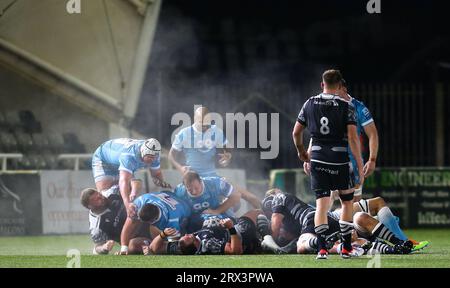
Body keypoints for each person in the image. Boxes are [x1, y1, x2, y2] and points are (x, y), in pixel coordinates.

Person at [293, 69, 364, 259]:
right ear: (340, 85)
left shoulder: (309, 103)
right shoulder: (346, 106)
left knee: (321, 205)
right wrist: (359, 164)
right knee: (347, 202)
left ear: (322, 84)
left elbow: (296, 132)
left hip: (317, 159)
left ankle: (322, 249)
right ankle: (347, 248)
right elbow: (352, 138)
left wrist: (302, 152)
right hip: (339, 160)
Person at [169, 106, 261, 209]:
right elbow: (171, 156)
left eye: (207, 125)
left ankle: (266, 221)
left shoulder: (216, 131)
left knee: (252, 198)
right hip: (194, 179)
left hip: (212, 178)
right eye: (202, 125)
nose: (205, 128)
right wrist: (180, 168)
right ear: (195, 119)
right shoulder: (184, 133)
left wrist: (228, 156)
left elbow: (228, 149)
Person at [91, 138, 171, 217]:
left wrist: (161, 182)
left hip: (119, 158)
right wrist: (127, 204)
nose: (151, 160)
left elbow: (156, 174)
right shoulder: (129, 156)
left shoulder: (155, 154)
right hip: (104, 159)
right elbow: (124, 181)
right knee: (105, 197)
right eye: (149, 157)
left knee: (128, 194)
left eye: (153, 158)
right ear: (142, 152)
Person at [80, 180, 152, 255]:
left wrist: (133, 192)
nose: (102, 197)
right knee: (133, 245)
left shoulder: (112, 192)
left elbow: (135, 181)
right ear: (90, 206)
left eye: (99, 195)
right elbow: (97, 247)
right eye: (97, 199)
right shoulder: (96, 226)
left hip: (149, 222)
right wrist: (104, 247)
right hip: (135, 240)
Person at [118, 191, 191, 255]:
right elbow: (128, 226)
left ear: (153, 220)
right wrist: (124, 249)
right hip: (166, 195)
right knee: (132, 245)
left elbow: (173, 247)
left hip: (185, 210)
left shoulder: (172, 219)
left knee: (181, 246)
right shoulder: (140, 202)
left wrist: (153, 250)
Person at [172, 171, 241, 231]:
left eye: (196, 188)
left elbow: (236, 196)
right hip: (194, 221)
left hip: (218, 214)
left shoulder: (214, 183)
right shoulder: (179, 192)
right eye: (189, 189)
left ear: (201, 181)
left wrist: (217, 211)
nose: (194, 192)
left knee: (232, 218)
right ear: (184, 186)